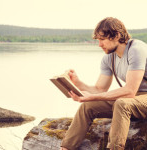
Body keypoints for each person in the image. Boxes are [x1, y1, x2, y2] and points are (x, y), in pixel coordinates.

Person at [60, 17, 147, 150]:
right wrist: (77, 83)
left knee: (122, 103)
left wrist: (92, 96)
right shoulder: (108, 58)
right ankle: (66, 147)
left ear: (117, 36)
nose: (99, 44)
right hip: (136, 98)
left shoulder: (136, 49)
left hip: (139, 97)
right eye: (98, 40)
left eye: (102, 39)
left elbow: (130, 91)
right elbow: (100, 89)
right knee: (87, 105)